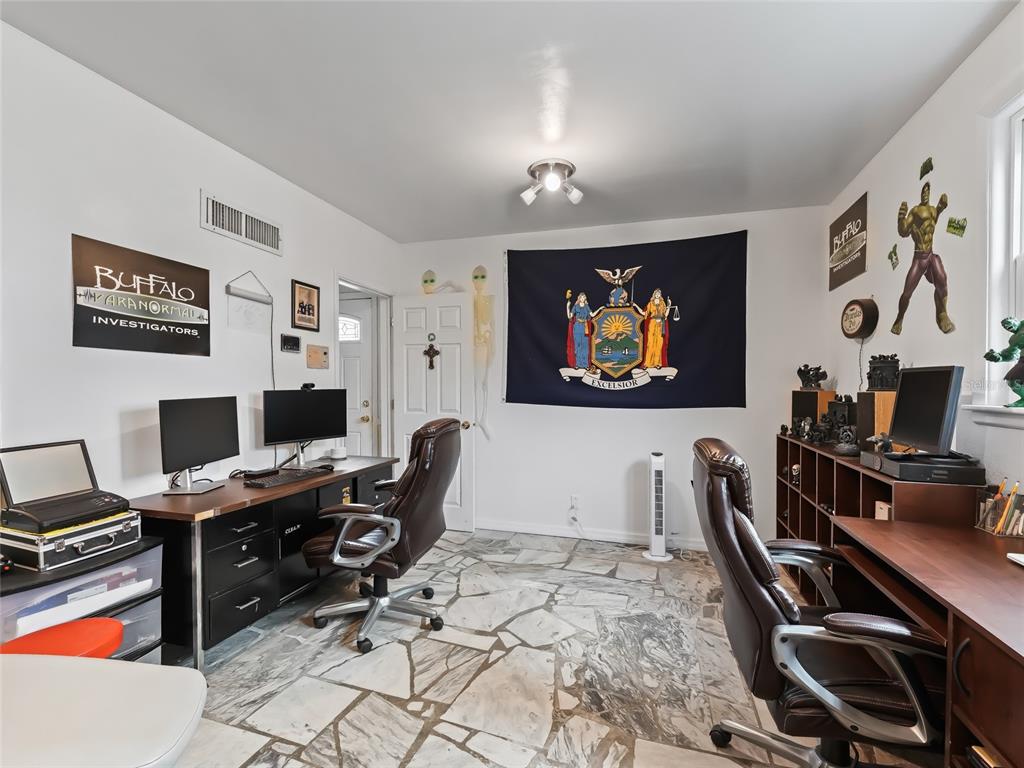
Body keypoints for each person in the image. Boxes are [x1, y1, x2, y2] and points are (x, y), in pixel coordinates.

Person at [892, 182, 954, 334]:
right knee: (907, 291)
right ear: (921, 193)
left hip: (930, 255)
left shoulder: (933, 210)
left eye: (928, 190)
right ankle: (899, 318)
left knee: (942, 280)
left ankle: (942, 313)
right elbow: (904, 232)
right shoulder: (915, 211)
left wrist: (941, 206)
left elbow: (934, 220)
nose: (925, 192)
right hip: (919, 258)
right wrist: (901, 218)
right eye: (923, 190)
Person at [640, 289, 671, 368]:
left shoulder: (662, 303)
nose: (657, 295)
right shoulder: (650, 304)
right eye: (656, 293)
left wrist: (669, 306)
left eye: (659, 294)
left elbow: (665, 315)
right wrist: (636, 306)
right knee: (650, 343)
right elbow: (644, 313)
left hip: (660, 324)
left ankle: (657, 363)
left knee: (659, 344)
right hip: (653, 324)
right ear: (654, 294)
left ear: (660, 295)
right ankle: (647, 363)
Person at [565, 292, 594, 370]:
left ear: (585, 299)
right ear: (579, 298)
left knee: (585, 346)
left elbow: (592, 315)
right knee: (578, 346)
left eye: (584, 297)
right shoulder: (575, 306)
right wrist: (567, 307)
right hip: (577, 327)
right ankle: (578, 364)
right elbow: (569, 316)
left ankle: (586, 365)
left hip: (585, 327)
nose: (582, 299)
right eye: (581, 297)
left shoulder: (587, 306)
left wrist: (600, 309)